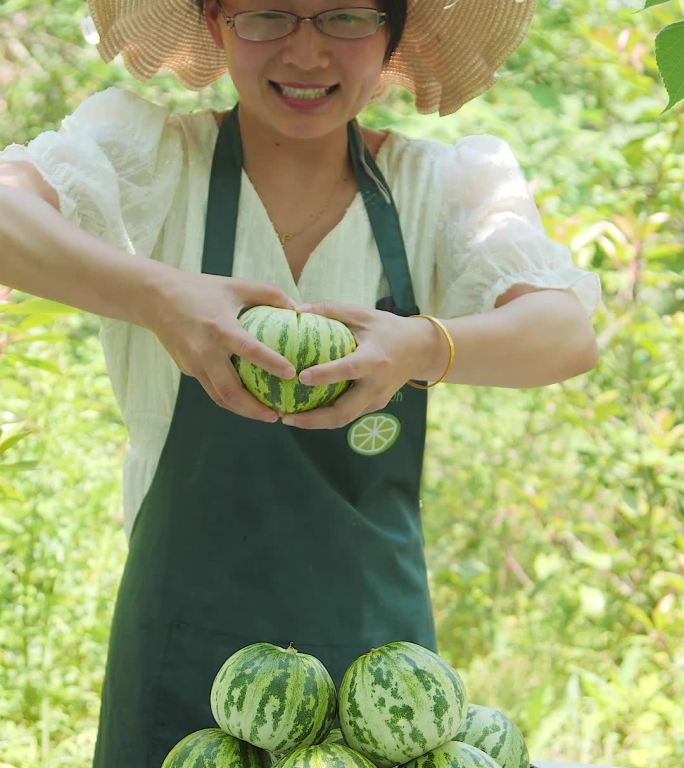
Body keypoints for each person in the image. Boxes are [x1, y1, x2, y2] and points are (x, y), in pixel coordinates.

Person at [0, 0, 601, 765]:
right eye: (268, 14)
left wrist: (423, 346)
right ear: (217, 25)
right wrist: (157, 296)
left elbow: (565, 334)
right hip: (182, 654)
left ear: (393, 36)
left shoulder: (444, 186)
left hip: (381, 682)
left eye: (346, 16)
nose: (307, 54)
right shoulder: (149, 156)